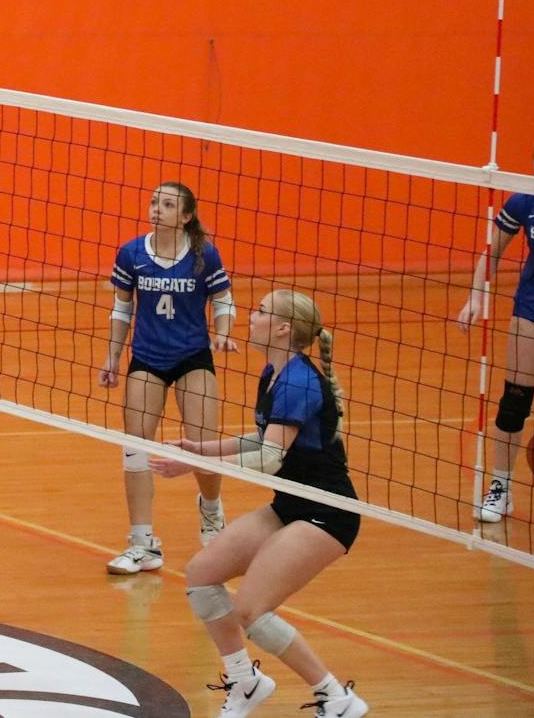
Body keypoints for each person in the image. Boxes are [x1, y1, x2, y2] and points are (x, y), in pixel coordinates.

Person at [151, 289, 367, 718]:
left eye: (262, 312)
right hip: (292, 503)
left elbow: (270, 460)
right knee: (202, 573)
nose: (252, 316)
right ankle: (245, 682)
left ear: (284, 328)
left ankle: (335, 697)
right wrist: (200, 449)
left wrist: (187, 464)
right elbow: (265, 438)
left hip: (327, 511)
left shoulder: (300, 382)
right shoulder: (275, 371)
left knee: (252, 608)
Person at [99, 182, 237, 574]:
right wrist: (112, 357)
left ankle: (211, 511)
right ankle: (143, 545)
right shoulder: (131, 253)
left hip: (193, 357)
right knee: (134, 447)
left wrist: (223, 332)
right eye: (155, 202)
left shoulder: (202, 255)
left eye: (168, 204)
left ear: (186, 216)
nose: (157, 209)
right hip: (147, 358)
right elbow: (122, 309)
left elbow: (224, 298)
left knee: (203, 447)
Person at [456, 131, 534, 523]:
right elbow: (491, 252)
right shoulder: (525, 199)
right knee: (514, 402)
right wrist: (476, 296)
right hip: (533, 310)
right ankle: (501, 487)